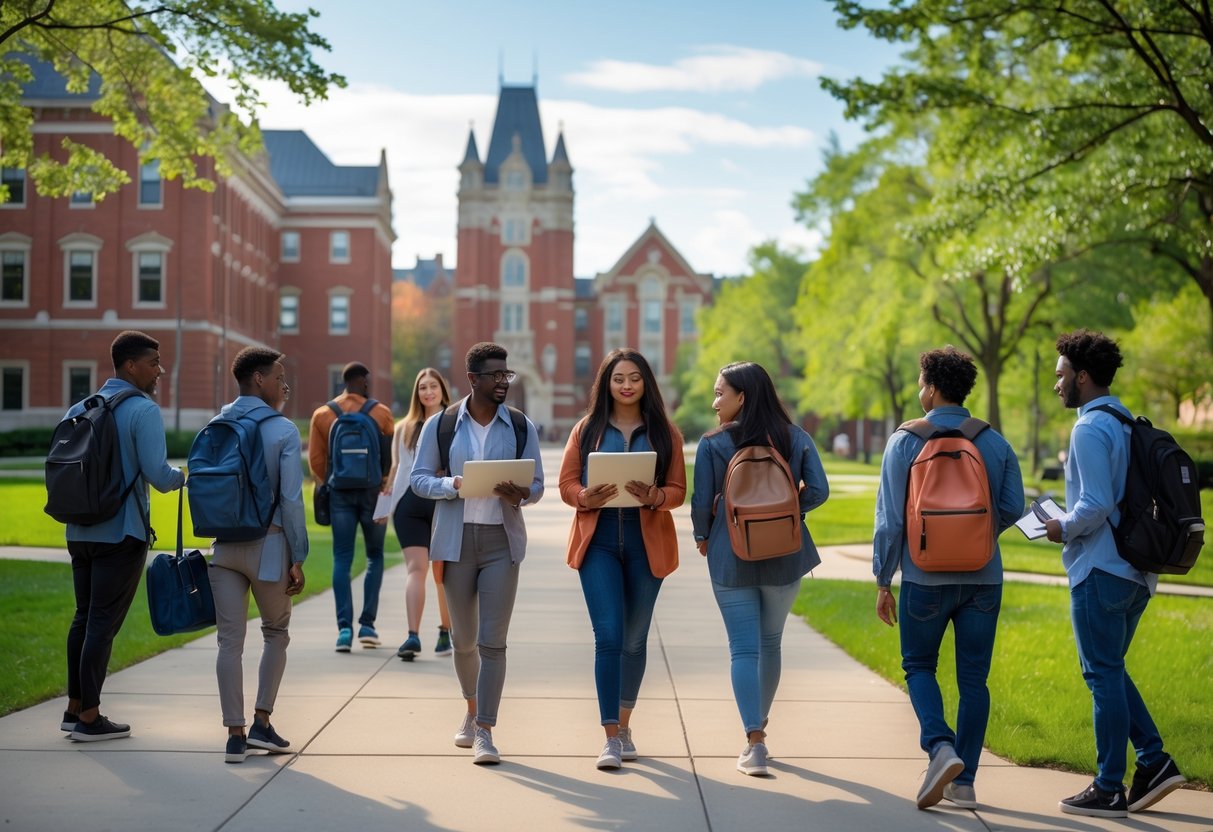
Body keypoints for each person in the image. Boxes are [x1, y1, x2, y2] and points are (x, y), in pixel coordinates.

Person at [872, 347, 1024, 809]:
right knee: (974, 679)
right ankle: (966, 783)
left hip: (925, 578)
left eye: (922, 383)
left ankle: (940, 747)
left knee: (919, 666)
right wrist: (975, 536)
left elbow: (890, 521)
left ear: (933, 388)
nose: (919, 390)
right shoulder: (993, 442)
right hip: (984, 577)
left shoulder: (905, 441)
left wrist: (883, 579)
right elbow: (1013, 507)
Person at [1045, 329, 1187, 818]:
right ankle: (1154, 761)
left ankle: (1108, 787)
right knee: (1110, 669)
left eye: (1061, 375)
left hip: (1100, 569)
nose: (1056, 384)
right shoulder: (1127, 422)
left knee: (1101, 673)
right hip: (1137, 573)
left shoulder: (1088, 428)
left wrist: (1061, 526)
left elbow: (1096, 504)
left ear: (1083, 377)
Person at [690, 361, 829, 777]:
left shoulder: (713, 444)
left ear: (742, 397)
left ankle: (755, 741)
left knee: (743, 649)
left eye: (720, 393)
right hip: (786, 555)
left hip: (731, 555)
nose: (715, 403)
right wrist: (787, 513)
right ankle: (760, 726)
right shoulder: (795, 437)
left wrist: (703, 536)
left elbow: (701, 502)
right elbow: (819, 490)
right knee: (771, 643)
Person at [410, 342, 544, 765]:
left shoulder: (521, 426)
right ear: (473, 379)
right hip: (455, 542)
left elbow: (538, 485)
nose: (504, 382)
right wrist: (451, 485)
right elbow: (418, 479)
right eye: (495, 375)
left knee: (493, 642)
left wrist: (522, 493)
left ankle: (485, 729)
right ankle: (470, 709)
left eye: (507, 375)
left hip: (502, 542)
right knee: (463, 640)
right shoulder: (442, 425)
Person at [558, 349, 686, 770]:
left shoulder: (665, 432)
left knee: (634, 640)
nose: (626, 385)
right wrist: (584, 496)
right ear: (606, 384)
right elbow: (566, 483)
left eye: (634, 378)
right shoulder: (587, 429)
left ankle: (626, 725)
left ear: (646, 382)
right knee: (609, 636)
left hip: (645, 544)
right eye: (618, 379)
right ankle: (610, 737)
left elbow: (678, 491)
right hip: (598, 545)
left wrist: (656, 495)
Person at [63, 330, 185, 741]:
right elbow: (159, 476)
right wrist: (185, 476)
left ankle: (74, 708)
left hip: (79, 529)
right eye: (153, 363)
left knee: (83, 617)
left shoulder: (80, 407)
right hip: (122, 531)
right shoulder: (143, 410)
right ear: (130, 366)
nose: (159, 371)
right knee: (101, 623)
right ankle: (90, 718)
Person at [207, 347, 309, 764]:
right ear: (259, 379)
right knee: (275, 632)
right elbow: (291, 499)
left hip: (224, 548)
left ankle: (235, 736)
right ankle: (262, 723)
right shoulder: (283, 430)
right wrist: (298, 556)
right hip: (269, 545)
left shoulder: (217, 423)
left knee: (229, 643)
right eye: (279, 378)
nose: (284, 385)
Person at [308, 362, 394, 652]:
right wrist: (383, 484)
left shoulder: (323, 414)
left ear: (343, 382)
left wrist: (331, 482)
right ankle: (367, 625)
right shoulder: (381, 413)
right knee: (375, 556)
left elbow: (316, 461)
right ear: (364, 382)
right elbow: (390, 458)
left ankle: (344, 630)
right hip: (373, 494)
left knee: (342, 558)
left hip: (340, 495)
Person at [388, 367, 454, 660]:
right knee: (416, 570)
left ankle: (445, 632)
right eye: (423, 387)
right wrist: (386, 505)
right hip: (409, 505)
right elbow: (396, 468)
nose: (428, 392)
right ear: (417, 393)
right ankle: (412, 636)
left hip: (442, 502)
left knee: (442, 573)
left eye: (433, 386)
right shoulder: (403, 427)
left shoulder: (455, 423)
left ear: (442, 390)